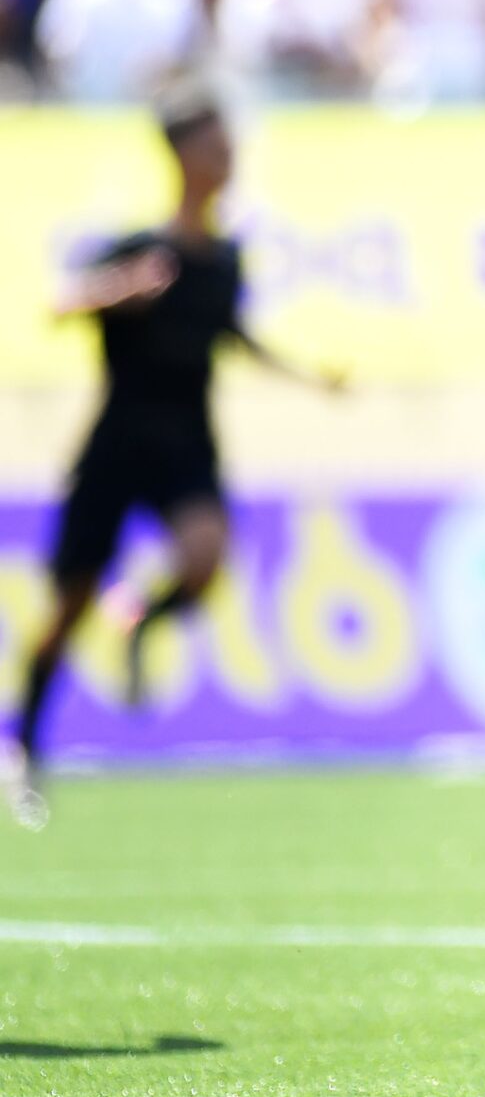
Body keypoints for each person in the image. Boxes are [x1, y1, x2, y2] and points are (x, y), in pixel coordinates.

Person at [5, 89, 343, 830]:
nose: (229, 159)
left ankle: (140, 619)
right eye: (218, 147)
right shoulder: (137, 251)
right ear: (184, 157)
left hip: (188, 441)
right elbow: (60, 304)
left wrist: (309, 378)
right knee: (66, 610)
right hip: (119, 442)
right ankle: (24, 746)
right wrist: (119, 293)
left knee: (205, 555)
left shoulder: (223, 261)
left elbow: (236, 337)